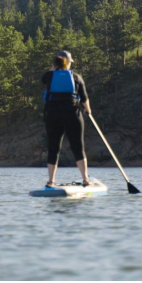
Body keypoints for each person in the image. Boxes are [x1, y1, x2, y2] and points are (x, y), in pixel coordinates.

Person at [41, 50, 91, 188]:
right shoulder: (76, 77)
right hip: (72, 114)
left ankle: (51, 181)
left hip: (53, 114)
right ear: (69, 62)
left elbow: (45, 77)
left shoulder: (48, 76)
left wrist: (54, 67)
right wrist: (87, 109)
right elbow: (84, 98)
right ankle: (86, 180)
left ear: (55, 63)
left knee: (53, 148)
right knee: (78, 147)